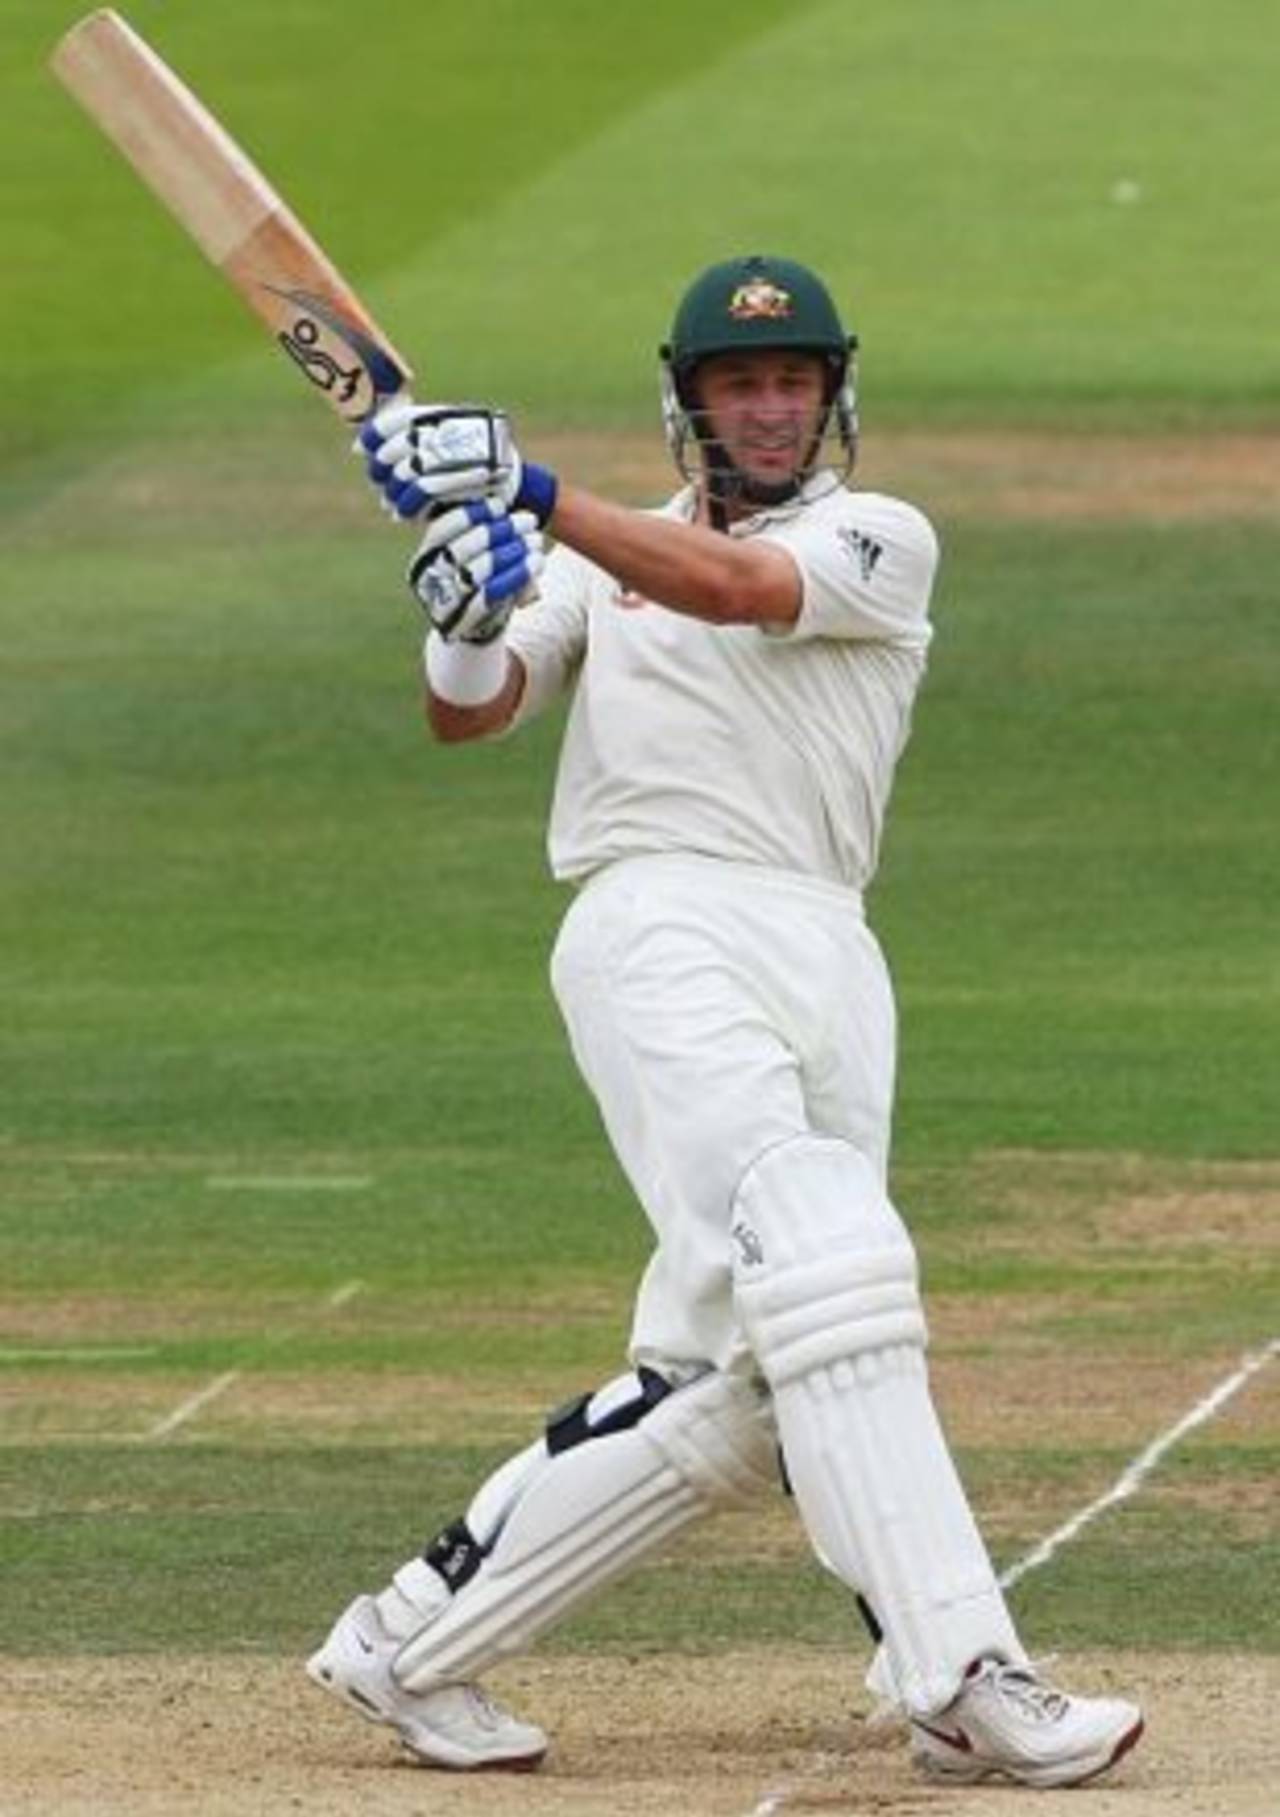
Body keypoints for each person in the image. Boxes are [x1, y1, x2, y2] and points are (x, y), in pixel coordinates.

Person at [306, 254, 1144, 1789]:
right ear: (689, 402)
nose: (769, 407)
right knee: (829, 1255)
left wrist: (528, 487)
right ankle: (965, 1673)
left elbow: (739, 591)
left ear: (834, 398)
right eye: (739, 385)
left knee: (747, 1382)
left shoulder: (879, 538)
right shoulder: (598, 549)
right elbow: (474, 706)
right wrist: (464, 603)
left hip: (828, 945)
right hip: (657, 921)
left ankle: (408, 1642)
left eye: (793, 382)